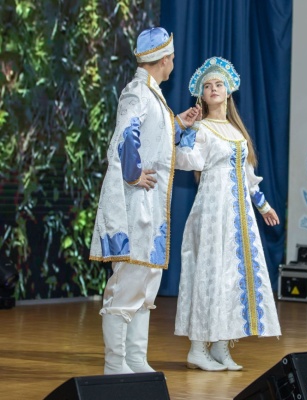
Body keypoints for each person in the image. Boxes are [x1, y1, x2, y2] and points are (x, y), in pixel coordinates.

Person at [89, 27, 201, 375]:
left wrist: (177, 123)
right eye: (172, 58)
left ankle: (135, 358)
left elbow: (155, 137)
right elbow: (127, 132)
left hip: (150, 207)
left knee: (146, 282)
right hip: (135, 204)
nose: (173, 63)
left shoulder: (154, 96)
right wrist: (133, 172)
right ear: (164, 59)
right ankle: (114, 363)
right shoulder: (137, 91)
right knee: (129, 280)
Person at [174, 57, 281, 371]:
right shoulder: (202, 128)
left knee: (232, 276)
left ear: (228, 90)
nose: (213, 89)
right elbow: (188, 161)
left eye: (218, 84)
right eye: (208, 86)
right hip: (213, 210)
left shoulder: (236, 131)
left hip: (238, 215)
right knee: (209, 272)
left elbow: (247, 176)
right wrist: (186, 134)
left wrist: (263, 206)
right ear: (202, 95)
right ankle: (197, 348)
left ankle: (221, 347)